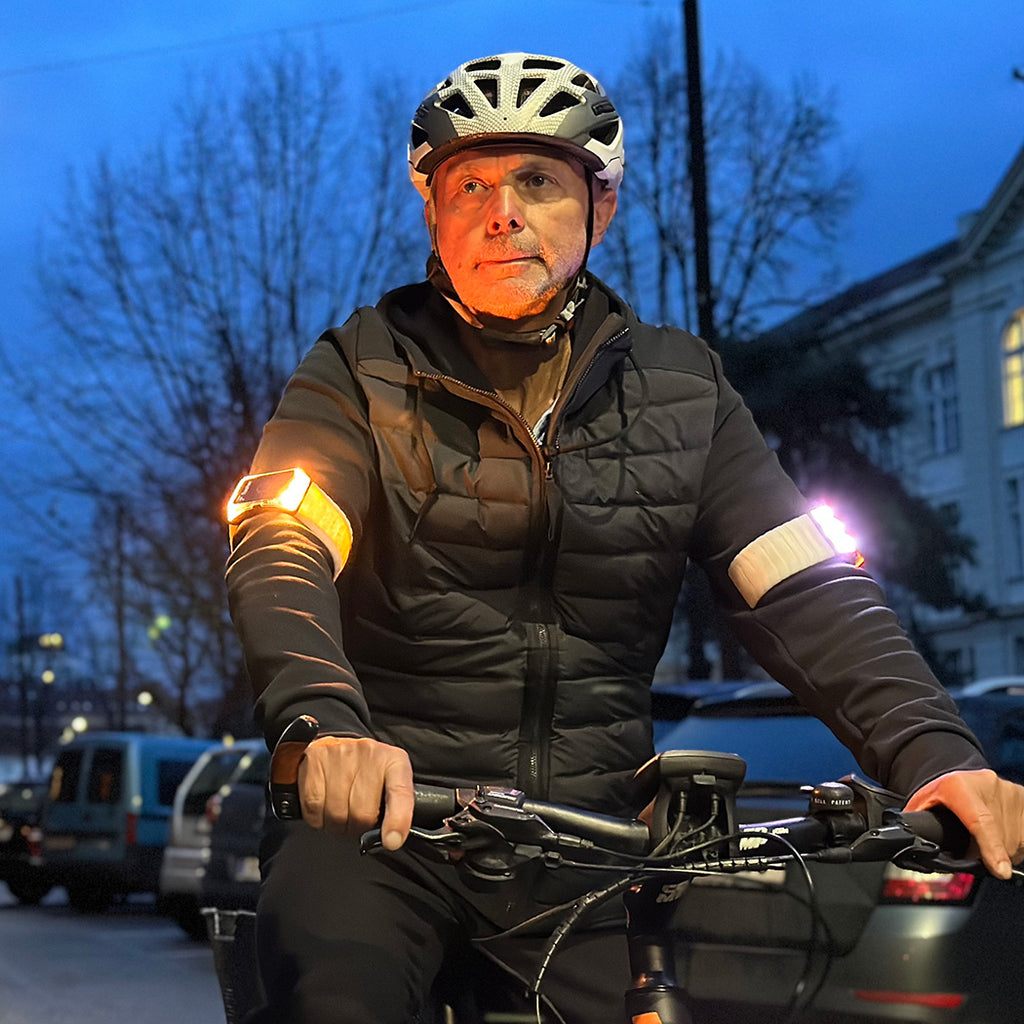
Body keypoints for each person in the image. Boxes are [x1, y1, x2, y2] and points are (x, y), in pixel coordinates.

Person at [225, 52, 1024, 1024]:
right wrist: (325, 725)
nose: (500, 211)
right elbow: (281, 539)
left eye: (536, 182)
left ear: (598, 209)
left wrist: (932, 750)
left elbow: (801, 582)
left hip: (586, 850)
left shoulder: (683, 392)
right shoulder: (357, 368)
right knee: (333, 991)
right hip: (383, 832)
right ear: (430, 210)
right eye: (466, 184)